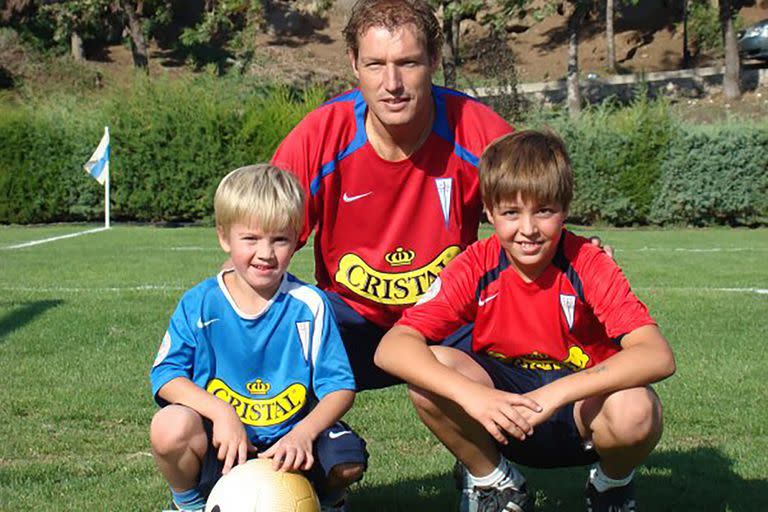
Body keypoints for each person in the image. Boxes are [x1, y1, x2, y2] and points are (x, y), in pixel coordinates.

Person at [374, 130, 676, 512]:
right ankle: (494, 483)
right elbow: (392, 347)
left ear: (564, 209)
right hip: (501, 409)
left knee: (637, 409)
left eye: (544, 211)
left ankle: (610, 484)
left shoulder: (588, 262)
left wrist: (554, 395)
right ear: (489, 211)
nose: (528, 229)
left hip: (582, 413)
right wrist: (473, 396)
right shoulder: (476, 263)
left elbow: (656, 355)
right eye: (511, 213)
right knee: (429, 375)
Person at [271, 0, 514, 391]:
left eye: (408, 63)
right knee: (269, 325)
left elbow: (534, 217)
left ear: (434, 59)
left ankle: (514, 448)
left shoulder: (478, 131)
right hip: (349, 322)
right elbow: (262, 239)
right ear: (353, 63)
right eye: (375, 65)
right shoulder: (319, 136)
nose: (392, 84)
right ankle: (304, 446)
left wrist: (579, 258)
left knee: (527, 315)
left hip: (448, 318)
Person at [149, 165, 367, 512]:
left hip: (291, 438)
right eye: (250, 239)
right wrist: (221, 413)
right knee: (169, 426)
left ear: (296, 239)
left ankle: (323, 502)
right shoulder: (200, 302)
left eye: (279, 239)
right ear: (224, 237)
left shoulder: (310, 305)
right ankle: (188, 505)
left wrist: (304, 433)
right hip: (224, 441)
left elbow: (340, 388)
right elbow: (166, 376)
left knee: (347, 462)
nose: (265, 253)